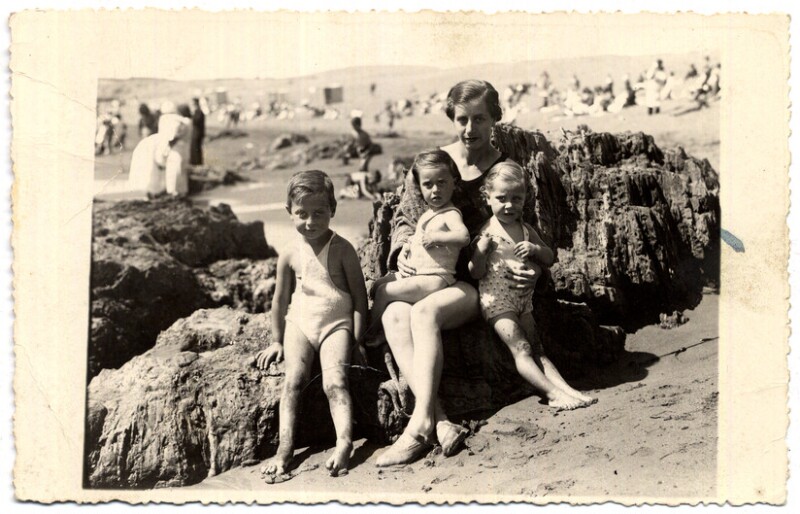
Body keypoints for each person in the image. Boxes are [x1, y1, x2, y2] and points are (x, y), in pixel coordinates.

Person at [374, 79, 540, 467]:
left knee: (422, 312)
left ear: (495, 118)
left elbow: (527, 231)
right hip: (428, 275)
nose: (470, 128)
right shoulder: (434, 164)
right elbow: (404, 219)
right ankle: (439, 420)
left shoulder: (505, 172)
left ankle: (418, 428)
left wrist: (531, 269)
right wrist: (405, 250)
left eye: (480, 118)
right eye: (462, 119)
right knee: (393, 313)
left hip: (475, 285)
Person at [256, 170, 368, 479]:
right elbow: (280, 300)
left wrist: (357, 342)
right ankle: (284, 450)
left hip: (336, 325)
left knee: (335, 382)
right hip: (300, 323)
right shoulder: (290, 252)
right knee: (293, 380)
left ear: (333, 209)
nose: (310, 221)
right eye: (302, 214)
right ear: (289, 212)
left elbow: (360, 300)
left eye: (319, 213)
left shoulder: (343, 249)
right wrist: (276, 340)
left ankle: (344, 442)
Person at [469, 161, 595, 411]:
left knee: (538, 349)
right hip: (497, 303)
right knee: (522, 348)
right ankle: (552, 394)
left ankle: (566, 389)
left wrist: (535, 249)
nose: (509, 205)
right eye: (501, 198)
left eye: (516, 198)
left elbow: (549, 257)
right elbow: (475, 272)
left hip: (523, 300)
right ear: (487, 197)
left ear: (525, 197)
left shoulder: (525, 230)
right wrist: (481, 252)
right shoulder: (486, 233)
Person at [368, 150, 470, 341]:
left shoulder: (450, 214)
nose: (435, 190)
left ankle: (372, 333)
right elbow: (417, 238)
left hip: (435, 278)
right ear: (420, 187)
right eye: (428, 185)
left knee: (384, 292)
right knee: (377, 285)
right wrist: (407, 246)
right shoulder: (428, 214)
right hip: (419, 273)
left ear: (454, 183)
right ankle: (380, 323)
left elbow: (464, 236)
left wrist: (438, 237)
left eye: (442, 183)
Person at [127, 113, 189, 198]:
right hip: (146, 155)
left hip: (149, 155)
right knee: (150, 175)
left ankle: (155, 192)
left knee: (154, 176)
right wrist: (167, 164)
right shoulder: (162, 141)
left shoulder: (164, 138)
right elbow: (160, 159)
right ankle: (152, 193)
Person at [190, 97, 205, 166]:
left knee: (196, 148)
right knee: (196, 148)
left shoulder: (198, 111)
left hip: (197, 133)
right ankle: (197, 162)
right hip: (197, 132)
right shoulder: (198, 111)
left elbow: (196, 121)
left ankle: (197, 162)